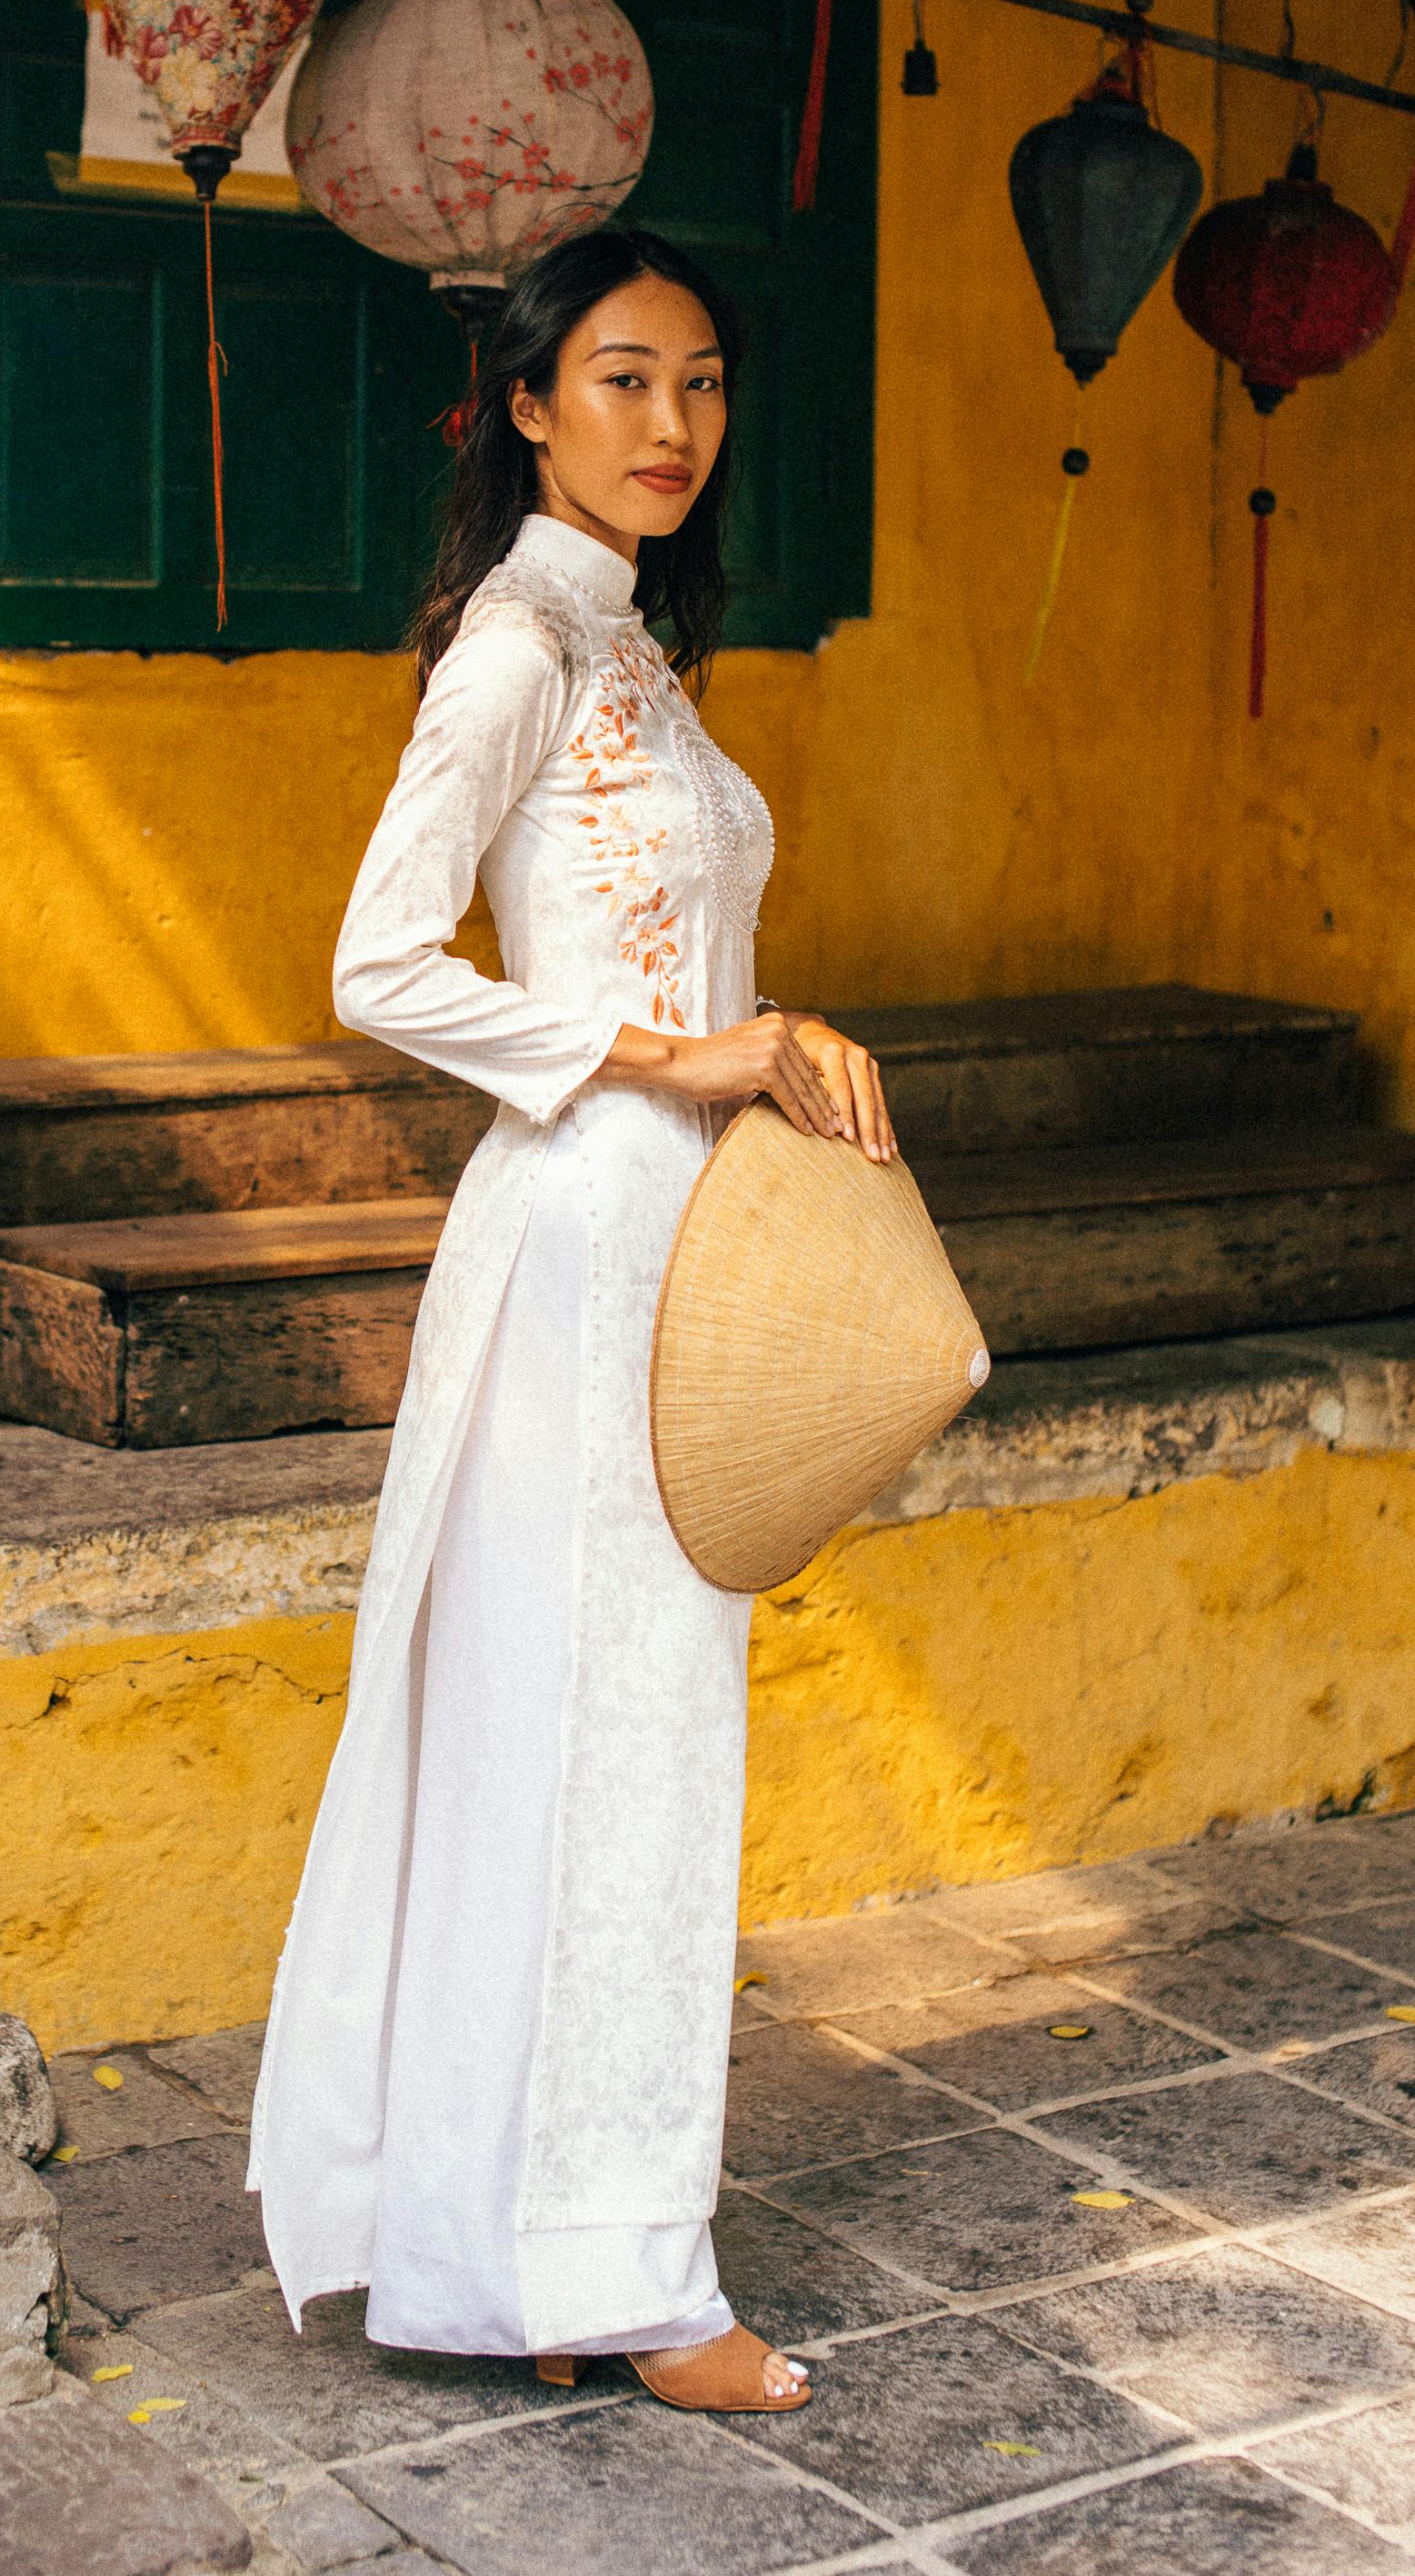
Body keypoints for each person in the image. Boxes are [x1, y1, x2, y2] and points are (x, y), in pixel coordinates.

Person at [246, 225, 893, 2415]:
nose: (673, 425)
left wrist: (770, 1054)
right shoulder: (524, 641)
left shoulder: (627, 643)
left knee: (612, 1740)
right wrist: (668, 1053)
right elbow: (376, 965)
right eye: (622, 380)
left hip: (673, 1241)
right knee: (606, 1741)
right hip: (586, 1237)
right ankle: (619, 2276)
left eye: (701, 383)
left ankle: (532, 2259)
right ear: (527, 404)